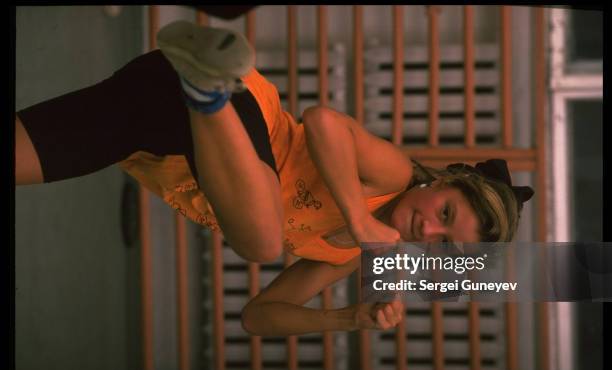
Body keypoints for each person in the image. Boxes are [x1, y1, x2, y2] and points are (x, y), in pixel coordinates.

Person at [15, 20, 534, 337]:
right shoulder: (393, 174)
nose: (430, 232)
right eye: (445, 215)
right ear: (441, 183)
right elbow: (324, 122)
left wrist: (346, 319)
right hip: (234, 106)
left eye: (445, 246)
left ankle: (199, 85)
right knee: (262, 239)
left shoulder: (349, 256)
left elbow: (260, 316)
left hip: (156, 137)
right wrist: (357, 217)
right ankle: (206, 87)